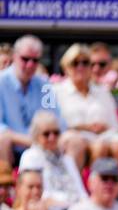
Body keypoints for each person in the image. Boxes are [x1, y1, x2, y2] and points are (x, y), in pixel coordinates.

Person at [0, 35, 81, 167]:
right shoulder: (1, 82)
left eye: (35, 60)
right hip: (13, 146)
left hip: (45, 143)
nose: (30, 64)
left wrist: (48, 139)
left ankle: (68, 184)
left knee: (75, 140)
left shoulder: (45, 85)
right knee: (2, 139)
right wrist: (29, 140)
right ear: (14, 56)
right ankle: (5, 185)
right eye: (25, 59)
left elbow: (57, 119)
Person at [54, 43, 118, 167]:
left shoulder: (103, 91)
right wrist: (84, 127)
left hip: (104, 137)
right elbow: (51, 125)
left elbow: (116, 126)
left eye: (85, 62)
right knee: (99, 147)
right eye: (75, 63)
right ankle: (94, 184)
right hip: (72, 139)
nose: (81, 67)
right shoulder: (53, 90)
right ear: (66, 67)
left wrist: (104, 128)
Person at [17, 112, 87, 210]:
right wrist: (69, 204)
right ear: (36, 136)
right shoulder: (31, 156)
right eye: (46, 134)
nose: (52, 137)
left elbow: (81, 192)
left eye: (56, 133)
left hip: (75, 209)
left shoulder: (67, 159)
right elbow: (35, 194)